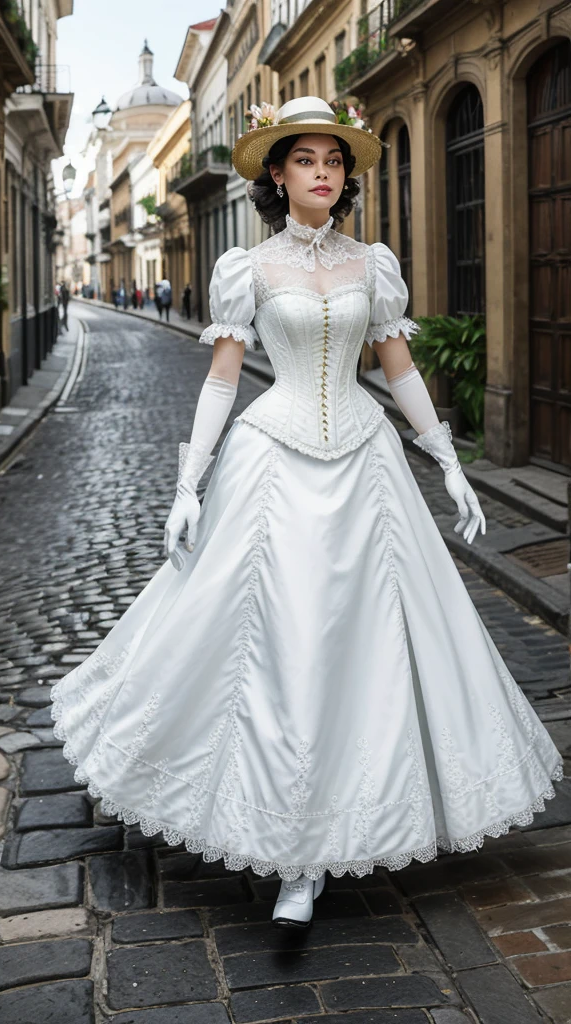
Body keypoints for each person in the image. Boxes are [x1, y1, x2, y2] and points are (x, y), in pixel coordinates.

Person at [50, 96, 563, 931]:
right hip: (272, 463)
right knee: (279, 640)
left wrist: (446, 461)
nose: (324, 173)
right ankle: (292, 852)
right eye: (307, 160)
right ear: (276, 175)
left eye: (335, 161)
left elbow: (396, 367)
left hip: (366, 462)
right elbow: (223, 378)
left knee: (368, 642)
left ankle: (348, 824)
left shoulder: (373, 265)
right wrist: (188, 483)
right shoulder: (248, 271)